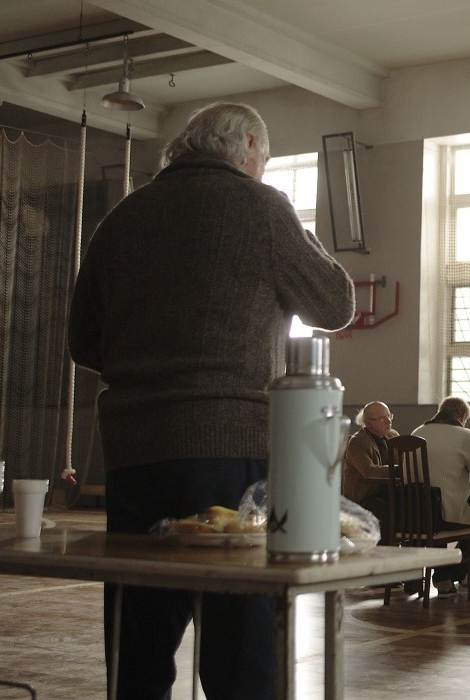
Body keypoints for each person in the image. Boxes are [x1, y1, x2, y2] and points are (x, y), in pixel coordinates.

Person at [67, 102, 355, 700]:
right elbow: (335, 304)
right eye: (266, 158)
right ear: (250, 144)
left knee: (137, 644)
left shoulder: (122, 218)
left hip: (133, 454)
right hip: (230, 450)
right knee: (241, 649)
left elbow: (82, 341)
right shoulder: (263, 207)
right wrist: (293, 225)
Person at [412, 397, 470, 599]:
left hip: (414, 515)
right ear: (462, 417)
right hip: (444, 515)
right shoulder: (465, 435)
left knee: (442, 517)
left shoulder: (417, 432)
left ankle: (439, 578)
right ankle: (449, 576)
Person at [341, 401, 398, 529]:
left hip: (385, 492)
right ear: (368, 424)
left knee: (414, 503)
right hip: (363, 497)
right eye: (382, 418)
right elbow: (369, 471)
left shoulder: (393, 436)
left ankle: (413, 545)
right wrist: (399, 470)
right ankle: (384, 547)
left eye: (389, 416)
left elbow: (404, 461)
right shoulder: (357, 442)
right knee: (387, 511)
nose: (388, 421)